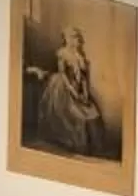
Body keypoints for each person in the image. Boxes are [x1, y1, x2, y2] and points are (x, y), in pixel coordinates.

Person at [35, 24, 108, 157]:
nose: (77, 41)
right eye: (73, 38)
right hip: (64, 86)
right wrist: (73, 92)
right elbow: (63, 75)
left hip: (77, 86)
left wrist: (84, 93)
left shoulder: (80, 56)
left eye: (77, 38)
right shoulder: (62, 53)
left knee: (92, 112)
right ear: (67, 39)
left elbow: (84, 78)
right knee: (72, 114)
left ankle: (94, 147)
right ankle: (71, 144)